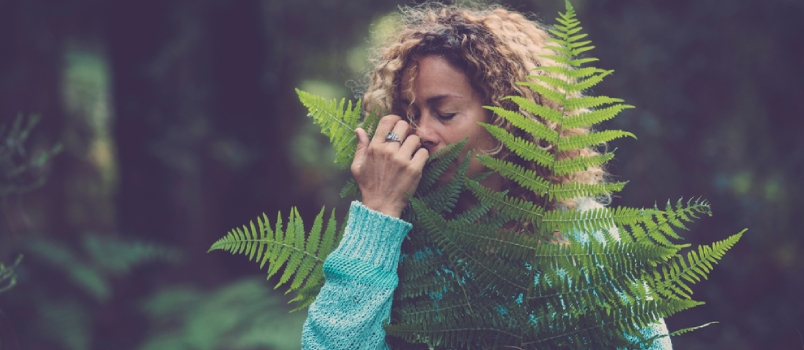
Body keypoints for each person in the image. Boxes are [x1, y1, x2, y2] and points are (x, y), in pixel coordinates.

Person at [301, 3, 672, 349]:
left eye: (444, 113)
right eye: (411, 114)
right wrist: (380, 210)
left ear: (510, 117)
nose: (422, 132)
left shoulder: (575, 230)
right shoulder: (399, 233)